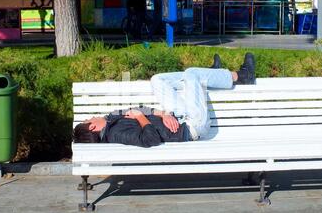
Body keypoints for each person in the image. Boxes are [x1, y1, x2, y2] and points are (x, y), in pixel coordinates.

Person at [73, 53, 256, 147]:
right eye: (89, 119)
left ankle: (208, 75)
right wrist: (140, 118)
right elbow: (149, 139)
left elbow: (138, 108)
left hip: (177, 117)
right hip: (192, 127)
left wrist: (162, 113)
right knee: (192, 74)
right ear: (92, 127)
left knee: (157, 80)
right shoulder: (117, 134)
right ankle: (242, 75)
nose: (91, 116)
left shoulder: (111, 120)